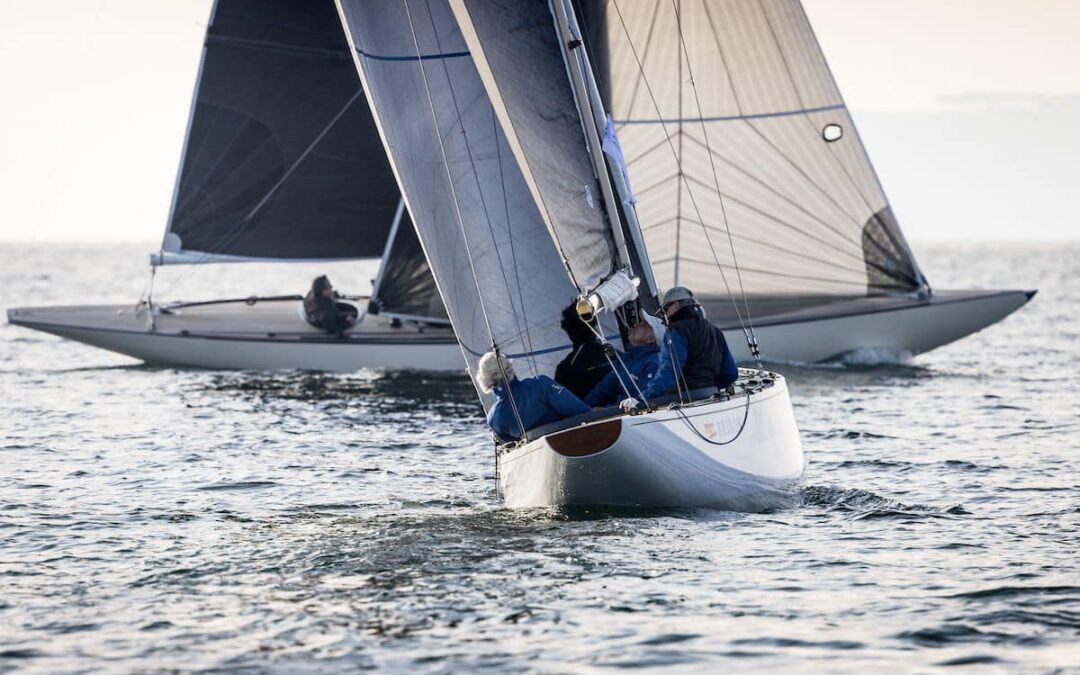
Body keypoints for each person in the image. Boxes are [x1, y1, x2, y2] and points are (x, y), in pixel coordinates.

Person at [626, 286, 738, 410]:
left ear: (676, 305)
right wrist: (714, 387)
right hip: (712, 395)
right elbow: (730, 373)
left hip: (686, 399)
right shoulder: (715, 330)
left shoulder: (676, 330)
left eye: (666, 309)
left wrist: (642, 398)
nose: (666, 315)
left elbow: (670, 371)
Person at [478, 350, 590, 443]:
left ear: (484, 380)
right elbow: (579, 411)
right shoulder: (540, 383)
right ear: (510, 368)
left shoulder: (493, 419)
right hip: (576, 441)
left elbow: (512, 448)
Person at [583, 314, 664, 408]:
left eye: (643, 325)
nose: (636, 325)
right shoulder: (625, 358)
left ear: (651, 339)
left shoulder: (654, 362)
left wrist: (607, 410)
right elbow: (604, 387)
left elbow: (641, 401)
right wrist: (584, 408)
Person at [554, 302, 612, 398]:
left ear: (567, 329)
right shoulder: (617, 355)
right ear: (595, 323)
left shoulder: (566, 368)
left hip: (593, 411)